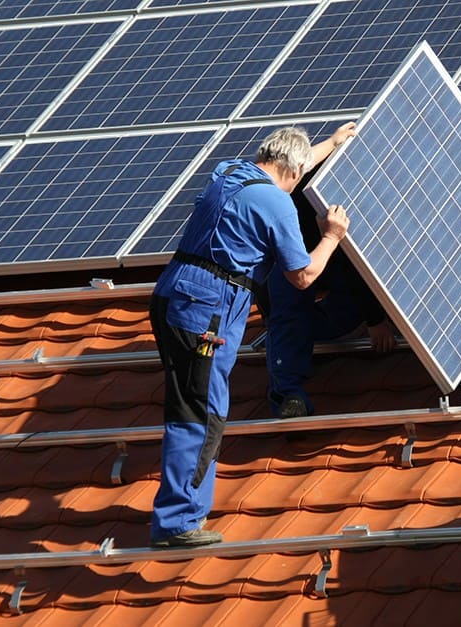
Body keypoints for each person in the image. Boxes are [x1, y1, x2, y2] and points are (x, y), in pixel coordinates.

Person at [148, 123, 356, 548]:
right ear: (293, 174)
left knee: (189, 402)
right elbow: (303, 275)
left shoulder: (228, 172)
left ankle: (179, 512)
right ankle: (178, 523)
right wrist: (332, 236)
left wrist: (331, 144)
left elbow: (290, 164)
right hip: (208, 310)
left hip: (172, 295)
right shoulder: (278, 204)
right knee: (200, 412)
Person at [261, 160, 397, 418]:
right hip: (296, 263)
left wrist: (375, 317)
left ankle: (305, 332)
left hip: (334, 260)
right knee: (286, 310)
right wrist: (375, 320)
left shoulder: (352, 185)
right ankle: (289, 395)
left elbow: (353, 259)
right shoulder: (284, 205)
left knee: (335, 312)